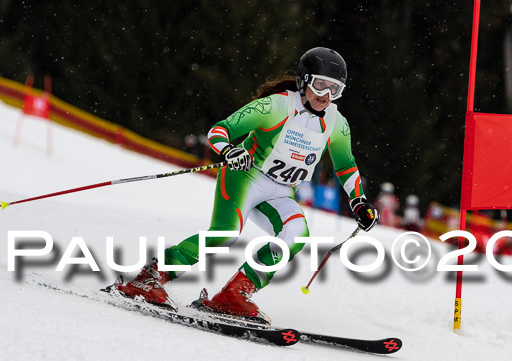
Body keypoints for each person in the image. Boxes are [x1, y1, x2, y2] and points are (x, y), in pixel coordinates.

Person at [116, 47, 379, 324]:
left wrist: (358, 201)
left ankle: (234, 293)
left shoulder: (337, 124)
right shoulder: (276, 106)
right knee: (225, 234)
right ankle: (150, 278)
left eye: (334, 90)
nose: (325, 95)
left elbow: (345, 166)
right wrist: (230, 150)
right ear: (304, 81)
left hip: (281, 192)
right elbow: (219, 130)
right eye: (319, 85)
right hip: (245, 176)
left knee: (296, 235)